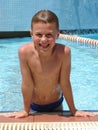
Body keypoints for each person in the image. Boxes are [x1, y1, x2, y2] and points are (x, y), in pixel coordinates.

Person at [6, 10, 95, 118]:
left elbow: (65, 82)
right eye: (39, 34)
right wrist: (25, 110)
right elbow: (27, 83)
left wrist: (74, 110)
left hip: (56, 104)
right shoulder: (24, 52)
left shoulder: (64, 53)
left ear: (57, 34)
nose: (43, 40)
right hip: (33, 105)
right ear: (31, 34)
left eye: (49, 35)